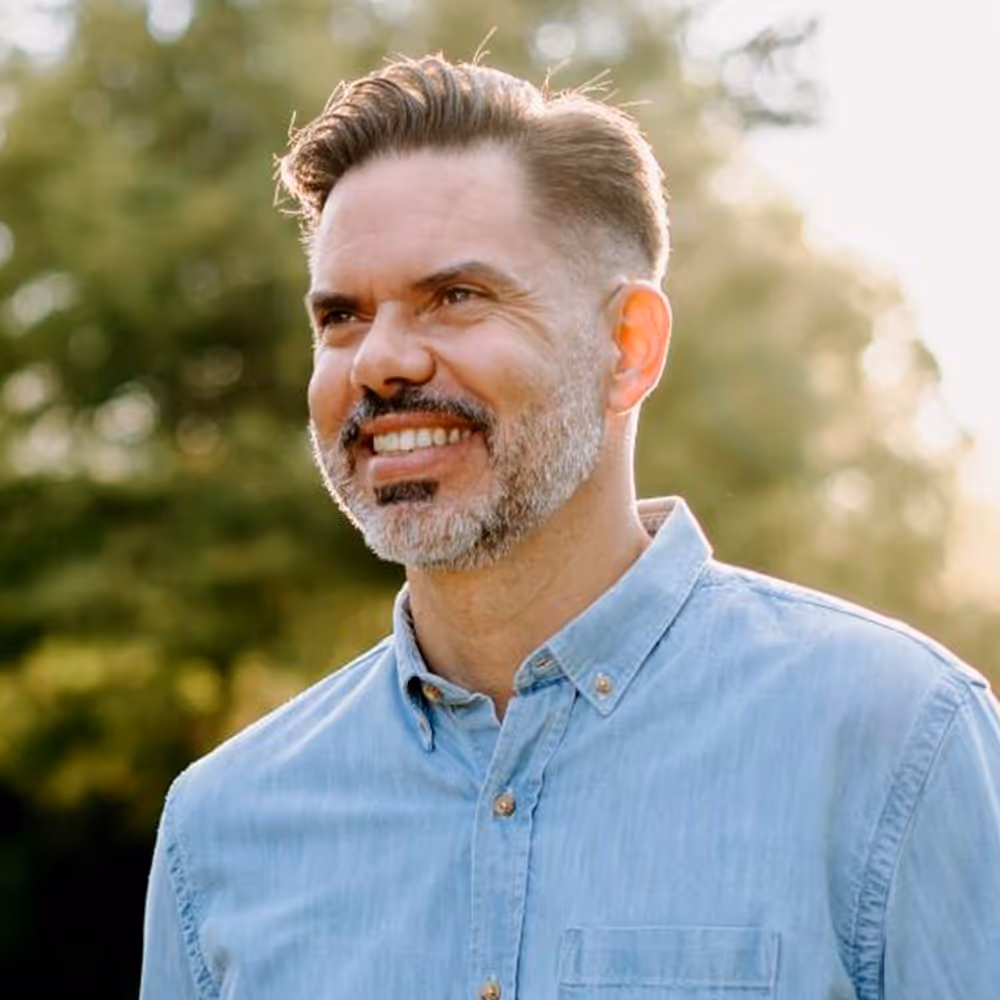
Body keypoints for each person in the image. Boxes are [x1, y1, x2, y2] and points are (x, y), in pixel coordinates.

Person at [139, 54, 1000, 1000]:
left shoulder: (895, 738)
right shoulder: (221, 828)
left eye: (455, 296)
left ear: (628, 348)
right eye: (341, 317)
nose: (380, 360)